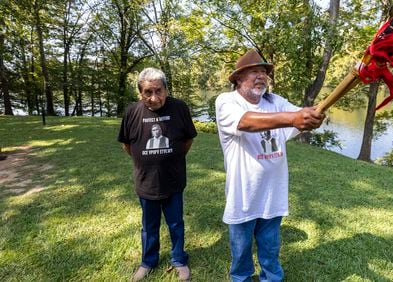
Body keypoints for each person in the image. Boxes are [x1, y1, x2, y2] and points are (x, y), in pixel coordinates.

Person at [215, 49, 325, 281]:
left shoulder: (275, 102)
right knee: (241, 254)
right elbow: (246, 122)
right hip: (243, 195)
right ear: (238, 78)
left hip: (273, 193)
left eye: (264, 72)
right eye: (254, 72)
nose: (261, 76)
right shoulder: (227, 101)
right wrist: (293, 118)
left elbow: (303, 116)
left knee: (271, 251)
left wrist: (312, 116)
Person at [118, 67, 197, 281]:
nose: (154, 98)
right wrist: (145, 162)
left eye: (159, 91)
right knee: (149, 226)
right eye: (148, 92)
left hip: (173, 180)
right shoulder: (132, 112)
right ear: (140, 93)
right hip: (146, 183)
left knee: (176, 223)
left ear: (166, 89)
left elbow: (187, 140)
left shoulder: (179, 108)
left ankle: (179, 260)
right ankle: (148, 262)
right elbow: (127, 144)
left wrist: (172, 159)